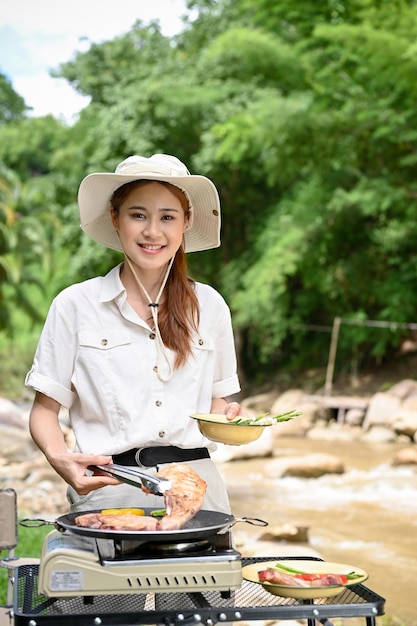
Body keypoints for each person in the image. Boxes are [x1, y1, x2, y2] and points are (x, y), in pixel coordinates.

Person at [25, 153, 246, 515]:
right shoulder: (75, 305)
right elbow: (44, 411)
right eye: (138, 214)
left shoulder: (210, 305)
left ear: (185, 222)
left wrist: (227, 420)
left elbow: (217, 403)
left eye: (167, 217)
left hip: (200, 489)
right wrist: (58, 457)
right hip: (110, 488)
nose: (152, 231)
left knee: (206, 575)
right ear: (115, 217)